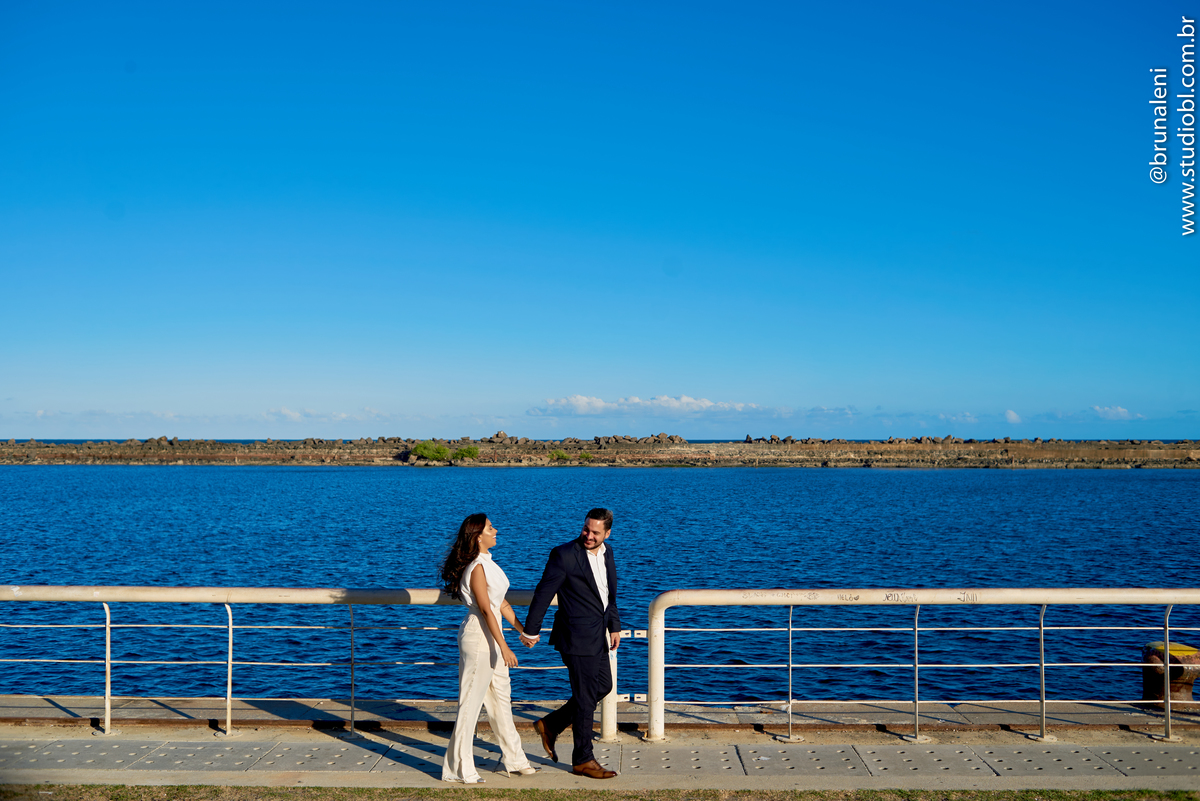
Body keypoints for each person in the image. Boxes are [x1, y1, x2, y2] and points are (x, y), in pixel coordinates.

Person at [521, 507, 621, 779]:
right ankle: (583, 759)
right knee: (587, 698)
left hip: (598, 634)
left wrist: (614, 626)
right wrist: (531, 631)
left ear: (607, 533)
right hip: (575, 637)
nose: (588, 535)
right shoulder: (564, 554)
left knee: (604, 685)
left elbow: (608, 595)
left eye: (595, 532)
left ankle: (551, 724)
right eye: (586, 529)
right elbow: (543, 593)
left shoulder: (608, 553)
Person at [439, 513, 539, 783]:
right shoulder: (477, 567)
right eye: (490, 528)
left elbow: (501, 604)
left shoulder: (488, 563)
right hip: (479, 637)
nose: (496, 530)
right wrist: (504, 647)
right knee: (470, 702)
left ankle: (515, 760)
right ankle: (459, 769)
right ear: (478, 536)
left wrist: (523, 631)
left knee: (501, 701)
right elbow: (484, 609)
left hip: (491, 634)